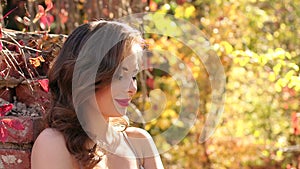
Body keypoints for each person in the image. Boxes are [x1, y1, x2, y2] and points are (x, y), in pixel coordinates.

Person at [31, 20, 164, 169]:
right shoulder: (54, 144)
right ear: (88, 77)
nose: (132, 88)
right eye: (120, 75)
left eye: (133, 76)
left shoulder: (139, 142)